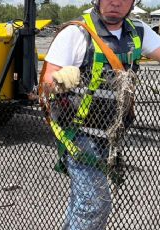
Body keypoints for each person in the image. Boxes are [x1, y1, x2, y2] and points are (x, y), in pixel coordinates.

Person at [41, 0, 160, 229]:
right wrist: (57, 80)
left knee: (83, 201)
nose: (116, 2)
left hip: (110, 134)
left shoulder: (138, 32)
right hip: (77, 134)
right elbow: (46, 81)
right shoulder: (76, 33)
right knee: (94, 204)